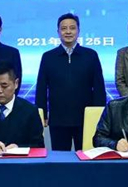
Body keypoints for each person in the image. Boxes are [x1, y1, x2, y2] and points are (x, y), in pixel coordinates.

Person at [35, 13, 106, 151]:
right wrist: (42, 113)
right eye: (64, 28)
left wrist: (98, 114)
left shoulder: (90, 55)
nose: (68, 32)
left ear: (78, 31)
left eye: (72, 28)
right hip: (58, 118)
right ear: (58, 32)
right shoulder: (48, 57)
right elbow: (42, 88)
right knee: (60, 159)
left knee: (87, 156)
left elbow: (99, 88)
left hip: (85, 119)